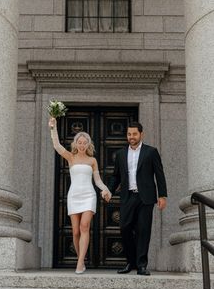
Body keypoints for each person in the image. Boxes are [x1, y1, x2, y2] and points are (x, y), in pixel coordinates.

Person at [49, 117, 111, 274]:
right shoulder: (71, 157)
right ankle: (81, 260)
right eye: (80, 142)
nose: (82, 145)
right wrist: (53, 127)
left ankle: (79, 263)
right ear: (76, 144)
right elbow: (57, 146)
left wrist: (105, 190)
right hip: (74, 196)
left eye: (85, 143)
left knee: (85, 227)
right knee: (75, 231)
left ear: (88, 144)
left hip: (89, 195)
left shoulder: (92, 160)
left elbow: (97, 180)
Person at [108, 121, 167, 276]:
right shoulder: (121, 154)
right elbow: (116, 176)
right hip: (127, 196)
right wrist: (109, 191)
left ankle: (141, 265)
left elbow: (159, 174)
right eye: (129, 134)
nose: (131, 137)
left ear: (141, 134)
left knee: (143, 230)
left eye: (134, 134)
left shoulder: (151, 152)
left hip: (145, 197)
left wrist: (162, 195)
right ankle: (130, 262)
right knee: (124, 227)